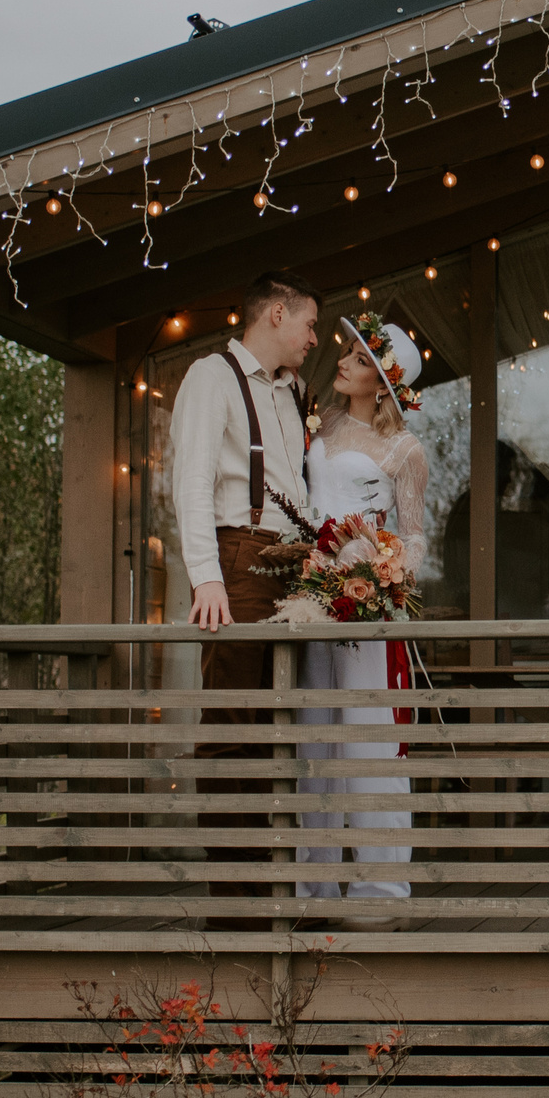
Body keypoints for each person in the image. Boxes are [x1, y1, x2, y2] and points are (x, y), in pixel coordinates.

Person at [171, 270, 321, 923]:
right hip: (240, 563)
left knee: (279, 734)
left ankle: (275, 888)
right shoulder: (212, 376)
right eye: (310, 324)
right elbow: (191, 480)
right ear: (277, 314)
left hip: (294, 574)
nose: (315, 338)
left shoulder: (292, 393)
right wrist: (206, 575)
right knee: (233, 732)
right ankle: (236, 906)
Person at [295, 315, 429, 930]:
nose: (343, 360)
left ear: (381, 381)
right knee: (314, 731)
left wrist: (381, 572)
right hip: (308, 597)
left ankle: (381, 888)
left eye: (357, 355)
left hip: (365, 602)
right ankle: (313, 885)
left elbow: (417, 537)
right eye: (345, 351)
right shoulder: (316, 429)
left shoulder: (404, 449)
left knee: (368, 735)